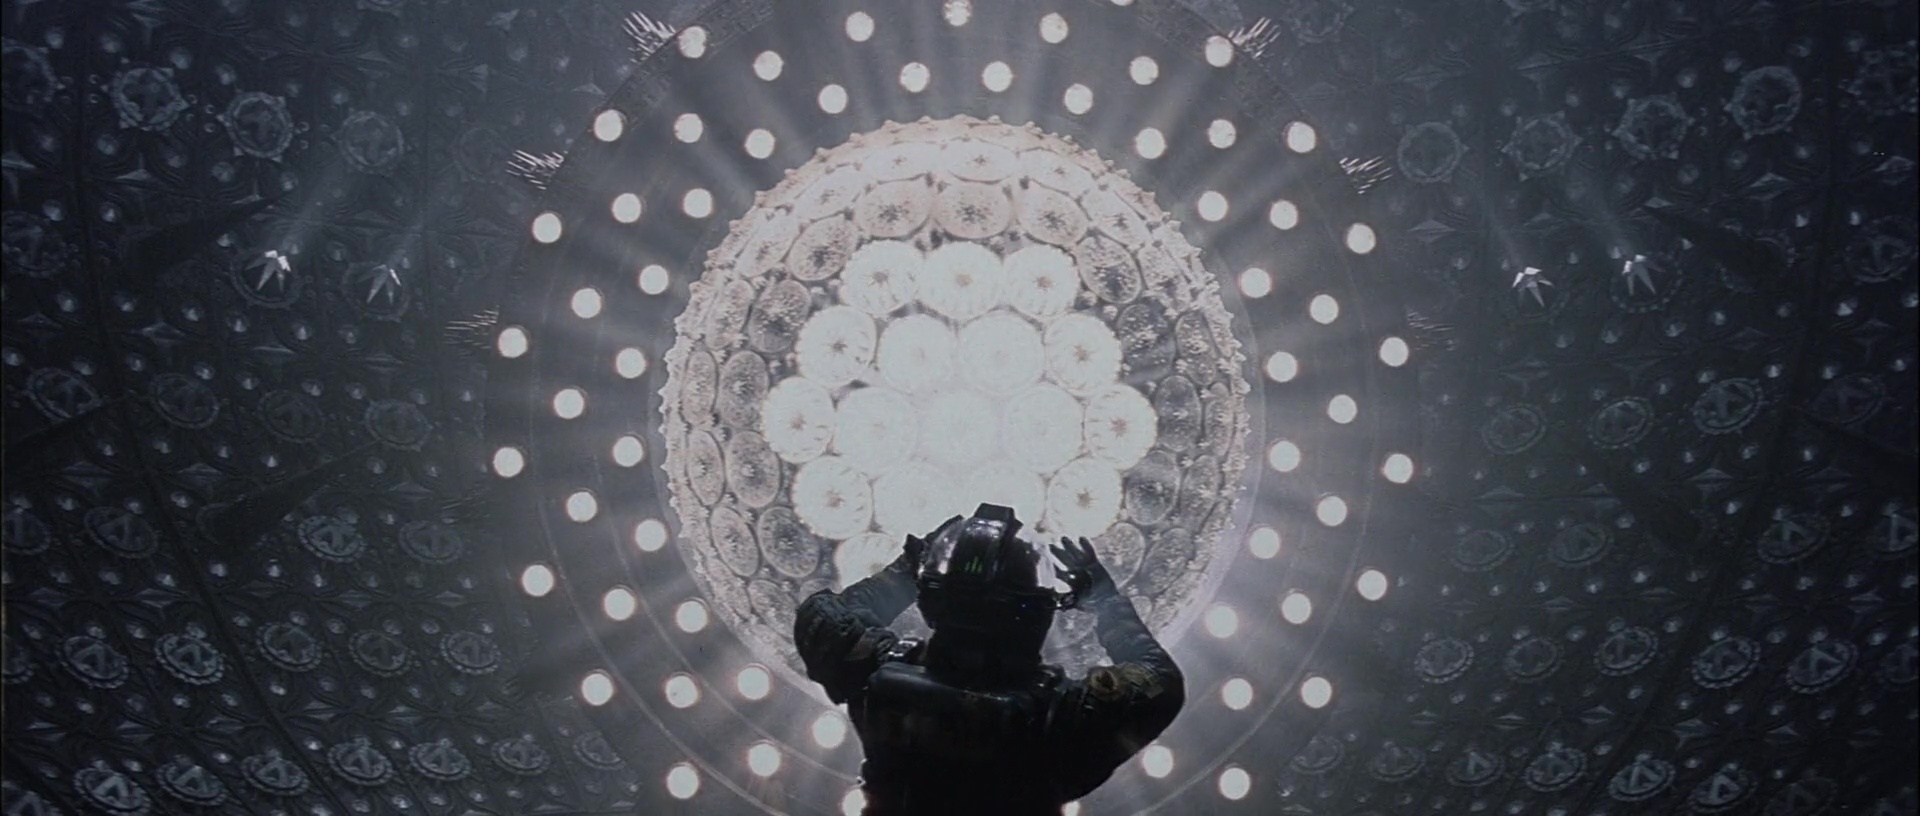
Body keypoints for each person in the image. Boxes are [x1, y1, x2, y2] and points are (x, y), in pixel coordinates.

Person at [794, 503, 1185, 815]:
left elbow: (822, 616)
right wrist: (1105, 600)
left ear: (934, 598)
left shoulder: (876, 667)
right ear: (1036, 611)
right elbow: (1160, 682)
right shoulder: (1061, 717)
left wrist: (907, 569)